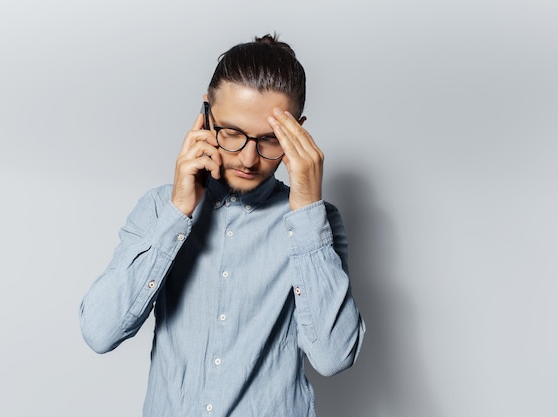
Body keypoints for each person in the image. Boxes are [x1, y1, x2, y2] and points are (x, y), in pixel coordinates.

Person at [79, 34, 365, 417]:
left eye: (270, 140)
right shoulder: (157, 209)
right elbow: (100, 332)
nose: (249, 158)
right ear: (206, 115)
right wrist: (179, 212)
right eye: (232, 132)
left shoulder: (319, 222)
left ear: (298, 133)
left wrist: (307, 211)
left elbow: (333, 356)